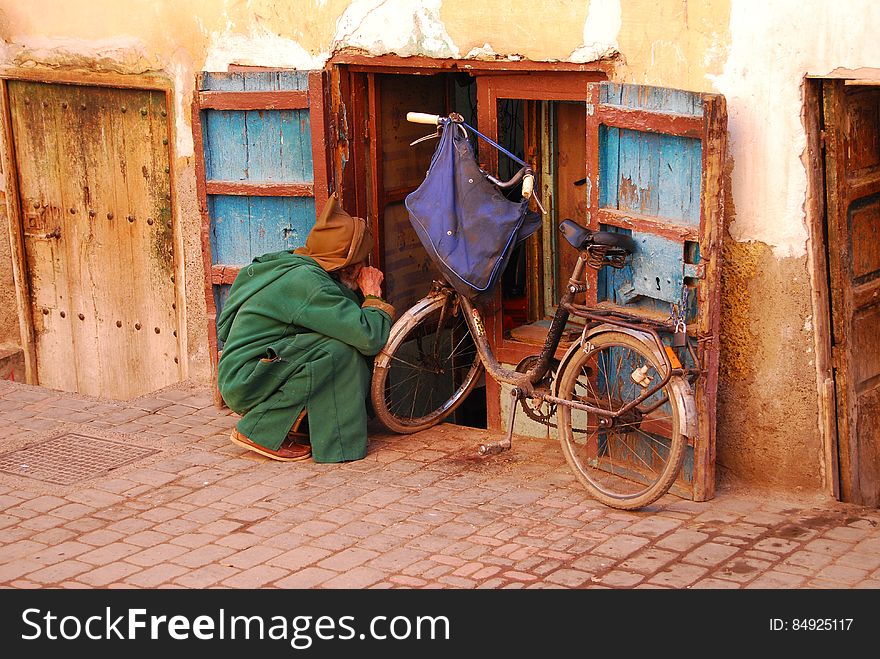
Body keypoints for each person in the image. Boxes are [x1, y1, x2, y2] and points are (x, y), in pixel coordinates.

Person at [216, 193, 395, 463]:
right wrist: (373, 297)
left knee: (335, 346)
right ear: (344, 264)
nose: (362, 268)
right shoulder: (308, 284)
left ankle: (308, 428)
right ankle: (259, 431)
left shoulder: (301, 263)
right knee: (337, 352)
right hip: (248, 379)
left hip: (257, 367)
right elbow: (369, 337)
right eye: (358, 263)